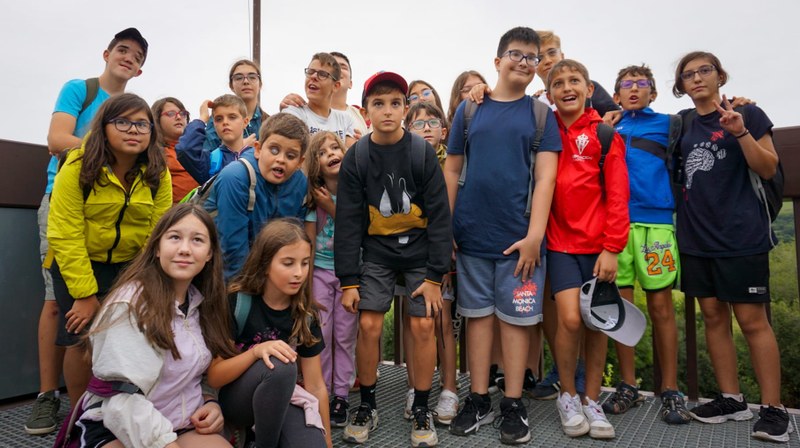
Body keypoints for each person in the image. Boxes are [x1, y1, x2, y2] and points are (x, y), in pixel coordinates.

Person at [26, 27, 148, 435]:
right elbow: (57, 138)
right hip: (66, 203)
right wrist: (106, 149)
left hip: (117, 221)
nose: (128, 58)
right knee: (60, 305)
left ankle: (106, 403)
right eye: (122, 50)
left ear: (142, 69)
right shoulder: (81, 89)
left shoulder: (136, 115)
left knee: (113, 319)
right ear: (107, 53)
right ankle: (48, 396)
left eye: (136, 56)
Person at [444, 27, 561, 445]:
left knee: (516, 323)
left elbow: (546, 178)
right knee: (476, 319)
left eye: (532, 57)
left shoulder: (539, 115)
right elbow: (453, 169)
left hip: (521, 242)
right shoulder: (469, 110)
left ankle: (513, 402)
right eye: (516, 54)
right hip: (471, 235)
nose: (524, 63)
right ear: (497, 61)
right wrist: (447, 228)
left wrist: (534, 236)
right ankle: (477, 397)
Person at [672, 51, 791, 443]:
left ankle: (773, 409)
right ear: (681, 86)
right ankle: (731, 399)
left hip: (741, 236)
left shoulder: (750, 116)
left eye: (704, 70)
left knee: (753, 321)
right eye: (688, 75)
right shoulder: (684, 125)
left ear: (720, 75)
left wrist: (740, 132)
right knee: (712, 316)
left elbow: (769, 167)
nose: (697, 78)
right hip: (696, 236)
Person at [335, 71, 451, 447]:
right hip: (378, 252)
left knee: (422, 327)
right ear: (366, 111)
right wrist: (349, 280)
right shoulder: (358, 155)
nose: (388, 111)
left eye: (395, 103)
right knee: (368, 324)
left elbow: (439, 214)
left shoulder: (421, 152)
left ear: (405, 107)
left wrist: (435, 276)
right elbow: (349, 221)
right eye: (378, 104)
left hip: (419, 252)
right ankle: (367, 403)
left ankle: (420, 405)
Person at [59, 204, 236, 448]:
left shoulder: (203, 303)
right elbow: (121, 401)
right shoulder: (130, 305)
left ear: (210, 254)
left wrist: (209, 402)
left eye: (197, 240)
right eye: (174, 237)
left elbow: (198, 372)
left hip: (179, 421)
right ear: (156, 248)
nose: (184, 249)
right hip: (117, 426)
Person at [46, 93, 172, 410]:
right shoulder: (76, 166)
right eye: (123, 122)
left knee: (127, 335)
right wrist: (85, 294)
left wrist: (141, 281)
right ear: (103, 127)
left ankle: (120, 409)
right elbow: (65, 232)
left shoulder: (158, 173)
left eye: (142, 124)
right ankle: (80, 414)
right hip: (78, 262)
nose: (134, 130)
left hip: (129, 265)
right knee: (81, 336)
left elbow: (157, 234)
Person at [545, 59, 629, 439]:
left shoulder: (605, 134)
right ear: (548, 94)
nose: (567, 87)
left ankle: (592, 399)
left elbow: (618, 196)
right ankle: (567, 393)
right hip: (559, 243)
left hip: (599, 248)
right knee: (569, 319)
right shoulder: (543, 131)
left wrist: (612, 248)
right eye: (558, 82)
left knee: (597, 323)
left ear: (588, 88)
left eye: (574, 80)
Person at [602, 64, 691, 424]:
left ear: (653, 93)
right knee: (622, 311)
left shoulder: (671, 123)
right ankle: (627, 386)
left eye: (642, 84)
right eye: (627, 84)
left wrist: (741, 104)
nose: (634, 89)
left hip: (656, 226)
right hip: (616, 227)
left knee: (661, 308)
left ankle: (670, 389)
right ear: (617, 93)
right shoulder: (608, 129)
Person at [207, 219, 330, 448]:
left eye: (304, 263)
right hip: (237, 401)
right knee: (281, 364)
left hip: (281, 400)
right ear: (265, 264)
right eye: (288, 263)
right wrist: (257, 352)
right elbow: (215, 376)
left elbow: (316, 385)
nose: (299, 273)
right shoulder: (237, 301)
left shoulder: (305, 313)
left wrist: (329, 443)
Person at [401, 102, 458, 425]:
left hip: (441, 255)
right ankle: (414, 385)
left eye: (432, 122)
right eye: (418, 123)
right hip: (409, 254)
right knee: (415, 321)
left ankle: (449, 387)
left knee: (443, 321)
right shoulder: (402, 160)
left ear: (444, 130)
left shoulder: (451, 163)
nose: (425, 128)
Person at [203, 113, 308, 281]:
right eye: (274, 150)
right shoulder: (235, 177)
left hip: (264, 272)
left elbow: (293, 241)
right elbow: (232, 250)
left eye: (291, 156)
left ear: (300, 162)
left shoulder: (301, 184)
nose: (280, 159)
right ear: (258, 149)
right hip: (217, 270)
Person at [302, 131, 357, 428]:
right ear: (316, 164)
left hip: (349, 275)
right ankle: (319, 390)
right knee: (321, 333)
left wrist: (333, 208)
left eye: (335, 147)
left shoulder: (356, 191)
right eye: (322, 152)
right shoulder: (314, 198)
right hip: (321, 274)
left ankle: (341, 394)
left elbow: (361, 230)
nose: (331, 153)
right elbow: (309, 245)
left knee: (345, 334)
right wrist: (306, 285)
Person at [282, 52, 357, 148]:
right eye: (310, 72)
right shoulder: (293, 113)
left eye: (322, 74)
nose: (313, 77)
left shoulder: (346, 120)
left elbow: (348, 159)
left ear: (335, 86)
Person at [177, 94, 252, 185]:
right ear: (214, 124)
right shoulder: (209, 161)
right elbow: (185, 149)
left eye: (232, 117)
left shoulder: (258, 157)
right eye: (219, 119)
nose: (225, 122)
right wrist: (202, 119)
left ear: (245, 122)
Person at [202, 59, 267, 153]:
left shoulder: (269, 122)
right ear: (231, 85)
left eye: (252, 77)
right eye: (239, 77)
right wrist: (240, 147)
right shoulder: (217, 120)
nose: (246, 81)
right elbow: (208, 158)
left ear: (260, 84)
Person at [152, 97, 197, 203]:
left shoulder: (198, 149)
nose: (178, 117)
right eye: (171, 114)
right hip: (175, 214)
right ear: (157, 120)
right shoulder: (153, 153)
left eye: (183, 113)